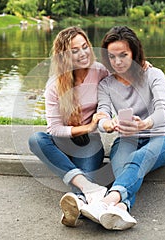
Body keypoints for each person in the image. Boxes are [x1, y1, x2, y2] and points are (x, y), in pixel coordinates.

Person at [80, 26, 165, 231]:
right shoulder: (106, 84)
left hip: (161, 137)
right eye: (112, 57)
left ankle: (104, 203)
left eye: (123, 55)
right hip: (126, 139)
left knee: (136, 160)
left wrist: (145, 124)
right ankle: (122, 207)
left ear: (134, 52)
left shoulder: (153, 75)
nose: (117, 62)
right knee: (124, 168)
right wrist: (109, 124)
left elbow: (163, 110)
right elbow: (102, 115)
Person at [28, 26, 109, 227]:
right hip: (61, 142)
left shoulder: (99, 71)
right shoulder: (55, 84)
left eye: (85, 47)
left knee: (86, 183)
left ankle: (79, 204)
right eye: (75, 50)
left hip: (89, 144)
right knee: (36, 139)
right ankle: (90, 193)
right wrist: (88, 127)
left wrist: (143, 65)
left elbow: (122, 77)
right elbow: (54, 129)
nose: (83, 54)